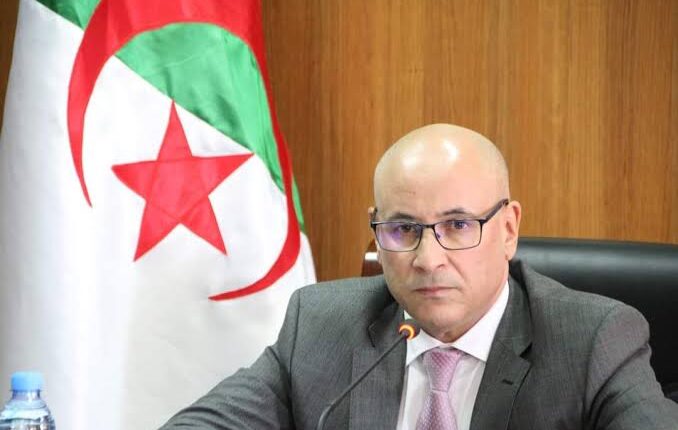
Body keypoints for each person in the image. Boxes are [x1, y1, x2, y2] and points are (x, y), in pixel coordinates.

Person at [160, 124, 678, 429]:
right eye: (403, 229)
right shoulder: (320, 325)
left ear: (508, 229)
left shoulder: (591, 341)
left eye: (458, 225)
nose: (428, 259)